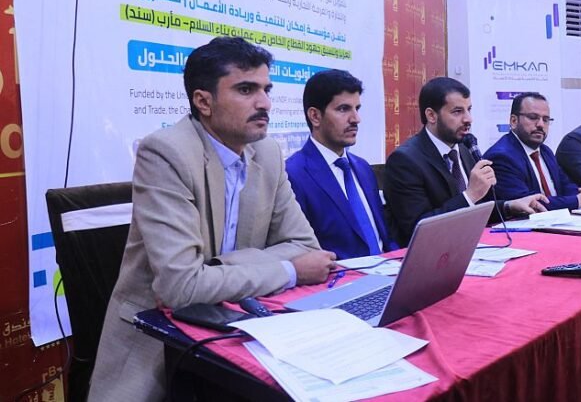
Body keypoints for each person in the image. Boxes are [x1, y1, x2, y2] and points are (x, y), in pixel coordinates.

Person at [88, 37, 335, 401]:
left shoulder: (267, 152)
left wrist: (215, 269)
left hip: (237, 326)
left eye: (266, 89)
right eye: (246, 90)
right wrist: (289, 270)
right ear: (203, 102)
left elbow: (305, 246)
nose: (265, 103)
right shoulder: (166, 152)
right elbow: (181, 288)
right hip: (159, 341)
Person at [383, 77, 548, 247]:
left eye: (469, 110)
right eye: (457, 112)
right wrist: (470, 195)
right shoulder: (405, 161)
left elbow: (475, 209)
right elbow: (418, 228)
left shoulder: (464, 148)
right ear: (431, 115)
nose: (468, 119)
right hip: (430, 253)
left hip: (471, 246)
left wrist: (509, 206)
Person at [286, 69, 397, 259]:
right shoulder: (293, 174)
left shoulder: (363, 168)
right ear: (315, 116)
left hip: (388, 270)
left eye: (357, 108)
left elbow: (384, 238)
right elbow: (300, 251)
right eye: (343, 109)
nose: (356, 119)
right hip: (339, 275)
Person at [484, 92, 581, 210]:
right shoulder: (502, 157)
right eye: (533, 117)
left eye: (546, 119)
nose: (541, 124)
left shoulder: (545, 151)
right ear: (514, 121)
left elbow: (565, 185)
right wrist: (578, 201)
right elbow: (528, 203)